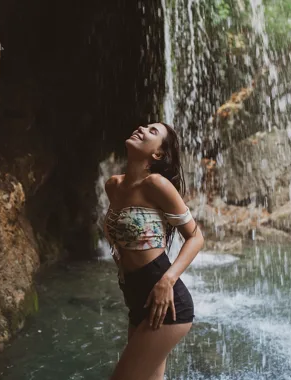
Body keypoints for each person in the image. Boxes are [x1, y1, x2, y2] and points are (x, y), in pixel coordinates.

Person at [103, 122, 204, 380]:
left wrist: (167, 280)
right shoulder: (113, 185)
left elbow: (196, 237)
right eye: (145, 126)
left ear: (157, 154)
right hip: (135, 298)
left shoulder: (156, 185)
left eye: (152, 132)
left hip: (167, 303)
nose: (141, 128)